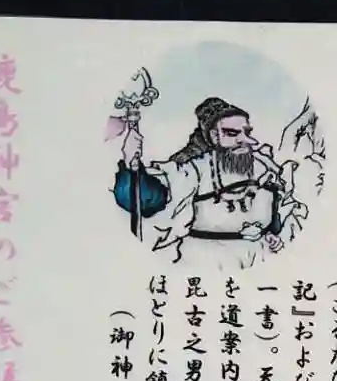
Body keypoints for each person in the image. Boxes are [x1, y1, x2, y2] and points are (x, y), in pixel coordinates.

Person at [112, 95, 319, 269]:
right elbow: (147, 198)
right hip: (206, 262)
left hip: (259, 260)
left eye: (247, 132)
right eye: (232, 133)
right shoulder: (195, 170)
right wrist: (132, 166)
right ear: (213, 136)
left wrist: (273, 235)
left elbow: (280, 207)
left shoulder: (263, 165)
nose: (244, 140)